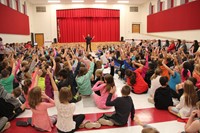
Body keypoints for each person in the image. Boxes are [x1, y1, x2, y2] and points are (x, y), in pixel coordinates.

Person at [48, 69, 85, 133]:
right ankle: (80, 125)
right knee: (82, 116)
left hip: (59, 129)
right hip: (70, 129)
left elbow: (56, 90)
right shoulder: (73, 105)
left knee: (63, 116)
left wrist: (51, 77)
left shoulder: (57, 104)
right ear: (70, 95)